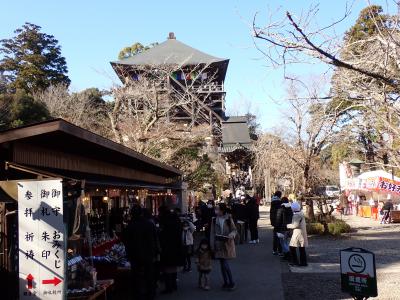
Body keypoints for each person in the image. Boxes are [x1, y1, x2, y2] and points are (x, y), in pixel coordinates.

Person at [123, 205, 158, 300]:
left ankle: (137, 294)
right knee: (149, 275)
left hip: (134, 254)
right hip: (148, 253)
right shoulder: (149, 224)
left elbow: (126, 240)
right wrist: (156, 251)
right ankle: (151, 293)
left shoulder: (131, 225)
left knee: (136, 275)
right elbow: (154, 238)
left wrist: (128, 252)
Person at [210, 203, 237, 290]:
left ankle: (231, 282)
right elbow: (212, 234)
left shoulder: (228, 218)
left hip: (227, 243)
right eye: (215, 209)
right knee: (222, 264)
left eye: (217, 209)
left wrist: (231, 235)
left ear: (222, 210)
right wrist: (212, 245)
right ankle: (226, 282)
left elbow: (234, 230)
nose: (216, 210)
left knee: (224, 263)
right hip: (218, 244)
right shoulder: (214, 220)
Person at [158, 207, 184, 294]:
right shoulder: (176, 221)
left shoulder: (165, 222)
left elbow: (163, 235)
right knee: (173, 267)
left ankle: (169, 287)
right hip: (176, 247)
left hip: (167, 248)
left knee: (167, 268)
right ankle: (174, 285)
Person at [287, 202, 308, 267]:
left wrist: (287, 225)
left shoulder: (296, 215)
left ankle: (295, 262)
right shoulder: (301, 213)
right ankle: (303, 262)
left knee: (292, 247)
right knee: (302, 248)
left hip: (297, 232)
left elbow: (295, 225)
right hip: (302, 232)